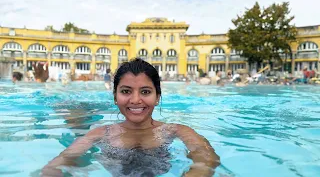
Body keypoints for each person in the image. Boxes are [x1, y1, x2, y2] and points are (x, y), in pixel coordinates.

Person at [41, 58, 220, 177]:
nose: (135, 100)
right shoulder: (101, 134)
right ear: (115, 97)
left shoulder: (176, 130)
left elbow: (207, 159)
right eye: (126, 91)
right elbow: (57, 164)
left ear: (157, 97)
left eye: (145, 92)